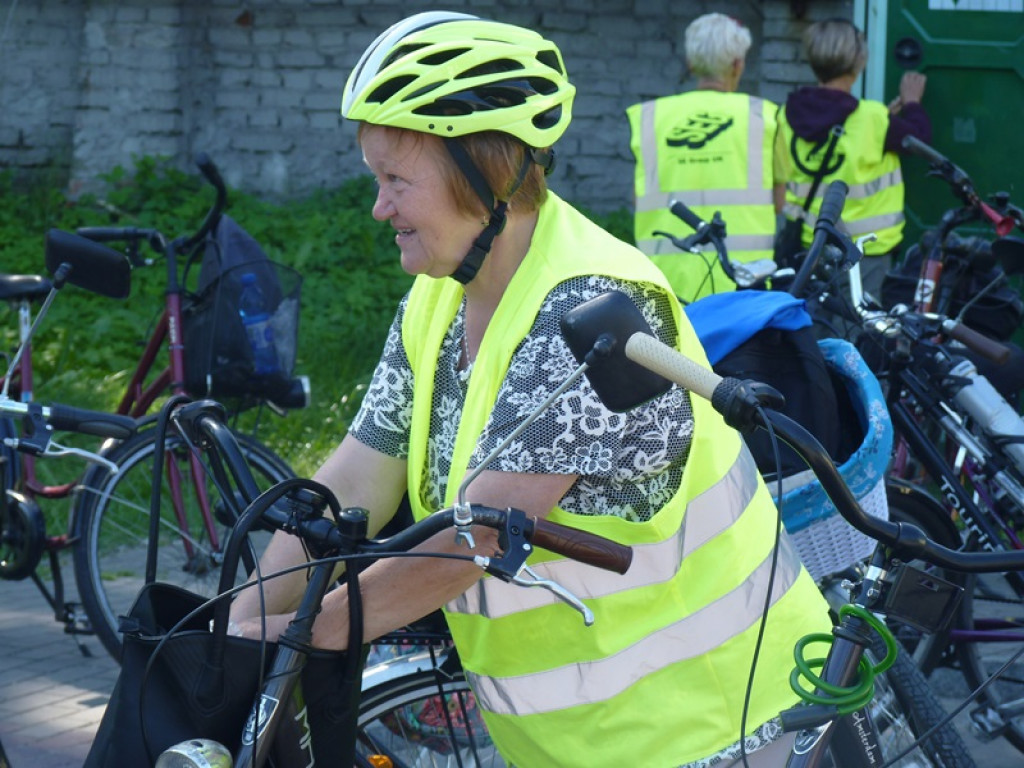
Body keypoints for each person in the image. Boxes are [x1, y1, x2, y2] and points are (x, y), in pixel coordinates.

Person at [229, 11, 832, 767]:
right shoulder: (439, 297)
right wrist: (237, 621)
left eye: (396, 181)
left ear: (482, 176)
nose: (379, 207)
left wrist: (303, 635)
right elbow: (356, 475)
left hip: (714, 721)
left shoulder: (593, 309)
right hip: (576, 741)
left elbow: (475, 537)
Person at [775, 17, 931, 301]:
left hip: (811, 249)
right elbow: (919, 138)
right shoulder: (873, 119)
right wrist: (912, 103)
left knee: (815, 324)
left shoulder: (784, 114)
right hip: (865, 254)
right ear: (859, 62)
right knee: (860, 326)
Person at [627, 13, 779, 303]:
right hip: (742, 282)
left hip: (665, 282)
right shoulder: (762, 116)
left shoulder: (651, 117)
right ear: (737, 64)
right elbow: (780, 200)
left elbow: (638, 198)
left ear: (691, 63)